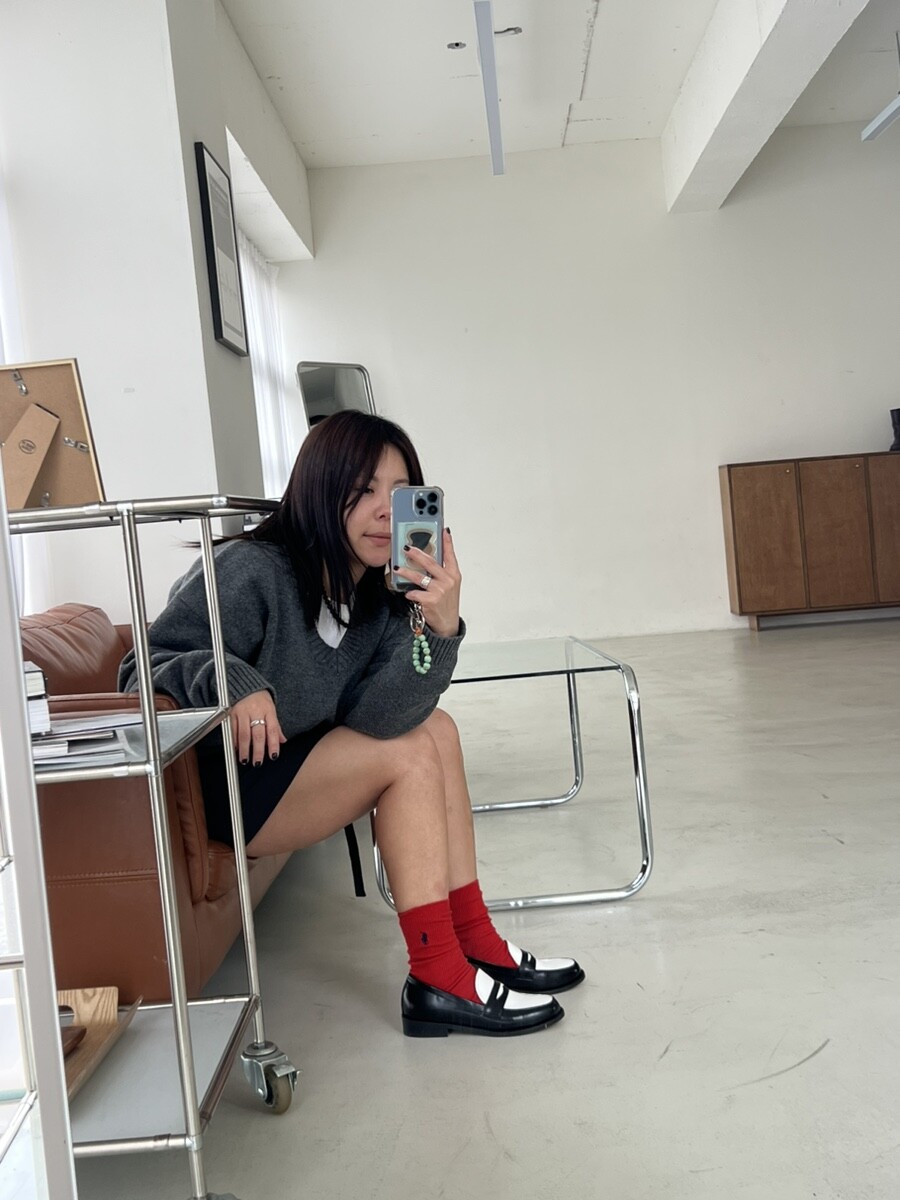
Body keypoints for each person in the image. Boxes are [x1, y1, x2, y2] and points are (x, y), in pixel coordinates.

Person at [119, 411, 584, 1037]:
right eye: (363, 490)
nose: (386, 512)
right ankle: (436, 976)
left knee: (436, 730)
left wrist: (439, 626)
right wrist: (235, 682)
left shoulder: (379, 592)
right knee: (408, 756)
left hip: (301, 763)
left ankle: (476, 942)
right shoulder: (253, 568)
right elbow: (141, 665)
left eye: (400, 494)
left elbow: (382, 717)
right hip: (230, 784)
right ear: (320, 488)